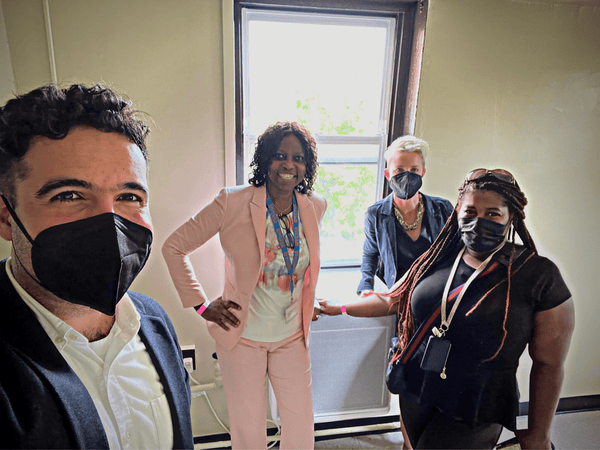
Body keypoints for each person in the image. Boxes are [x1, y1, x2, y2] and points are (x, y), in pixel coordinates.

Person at [321, 168, 574, 449]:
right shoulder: (436, 258)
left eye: (492, 214)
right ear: (457, 213)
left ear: (510, 216)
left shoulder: (538, 275)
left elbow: (549, 365)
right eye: (470, 212)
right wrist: (339, 307)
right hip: (417, 387)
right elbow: (390, 300)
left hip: (475, 403)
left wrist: (540, 434)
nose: (478, 221)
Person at [0, 84, 193, 449]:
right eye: (68, 195)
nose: (110, 221)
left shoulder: (154, 322)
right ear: (6, 217)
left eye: (128, 197)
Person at [162, 121, 327, 449]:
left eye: (297, 158)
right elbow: (174, 247)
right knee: (248, 433)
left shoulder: (314, 206)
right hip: (243, 338)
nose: (288, 165)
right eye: (280, 155)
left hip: (292, 337)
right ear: (265, 159)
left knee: (301, 430)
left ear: (306, 166)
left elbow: (296, 261)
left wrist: (310, 299)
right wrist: (201, 305)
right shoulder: (232, 202)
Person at [358, 135, 453, 295]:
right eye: (399, 170)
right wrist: (366, 287)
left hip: (437, 295)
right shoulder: (376, 214)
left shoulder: (443, 209)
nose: (407, 176)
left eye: (414, 170)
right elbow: (370, 254)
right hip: (397, 297)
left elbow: (456, 251)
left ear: (422, 173)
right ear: (388, 174)